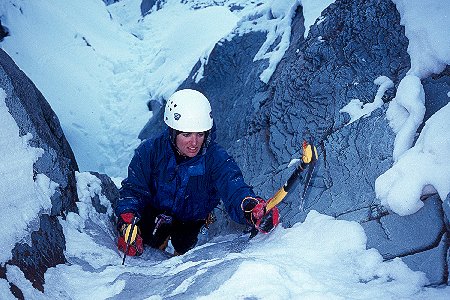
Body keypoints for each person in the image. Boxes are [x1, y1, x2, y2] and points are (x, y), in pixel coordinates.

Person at [114, 89, 279, 257]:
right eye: (186, 135)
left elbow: (234, 187)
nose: (194, 143)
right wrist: (127, 220)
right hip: (156, 212)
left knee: (184, 247)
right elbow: (134, 190)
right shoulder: (149, 152)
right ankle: (159, 245)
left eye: (200, 134)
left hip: (191, 219)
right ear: (172, 131)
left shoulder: (215, 158)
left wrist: (250, 208)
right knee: (150, 242)